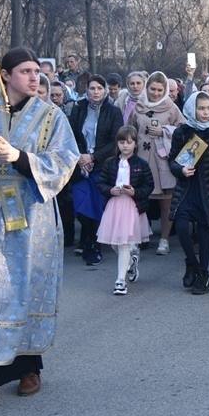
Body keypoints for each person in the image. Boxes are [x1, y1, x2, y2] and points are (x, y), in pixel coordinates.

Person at [0, 47, 79, 414]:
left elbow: (64, 162)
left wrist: (18, 157)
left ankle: (28, 367)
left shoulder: (52, 117)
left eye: (37, 71)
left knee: (27, 288)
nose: (34, 77)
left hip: (32, 219)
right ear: (5, 75)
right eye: (25, 71)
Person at [168, 91, 209, 294]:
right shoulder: (182, 132)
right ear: (192, 109)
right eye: (200, 108)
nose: (205, 112)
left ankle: (203, 275)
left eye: (208, 108)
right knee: (182, 227)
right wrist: (181, 169)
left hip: (208, 189)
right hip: (186, 188)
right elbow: (172, 161)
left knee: (204, 231)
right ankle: (192, 263)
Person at [67, 74, 122, 266]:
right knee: (81, 202)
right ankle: (88, 238)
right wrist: (82, 157)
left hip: (102, 165)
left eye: (99, 88)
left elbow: (116, 141)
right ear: (86, 90)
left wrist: (93, 157)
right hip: (81, 165)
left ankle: (93, 244)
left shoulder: (113, 111)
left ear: (105, 90)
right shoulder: (78, 109)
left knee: (97, 204)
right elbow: (70, 136)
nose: (96, 92)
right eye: (92, 88)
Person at [129, 72, 184, 255]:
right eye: (152, 89)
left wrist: (165, 131)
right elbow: (130, 130)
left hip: (163, 160)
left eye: (160, 90)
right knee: (137, 200)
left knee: (166, 201)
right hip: (142, 159)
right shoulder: (138, 107)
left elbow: (183, 130)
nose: (156, 93)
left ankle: (164, 239)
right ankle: (138, 237)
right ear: (147, 87)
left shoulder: (172, 108)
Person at [96, 126, 154, 295]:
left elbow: (149, 185)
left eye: (129, 142)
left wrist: (135, 192)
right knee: (115, 243)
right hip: (114, 206)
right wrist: (110, 190)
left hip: (132, 207)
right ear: (117, 144)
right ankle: (130, 260)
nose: (125, 146)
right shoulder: (110, 163)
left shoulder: (141, 164)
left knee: (123, 243)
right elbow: (101, 182)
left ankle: (120, 281)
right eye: (122, 142)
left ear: (135, 144)